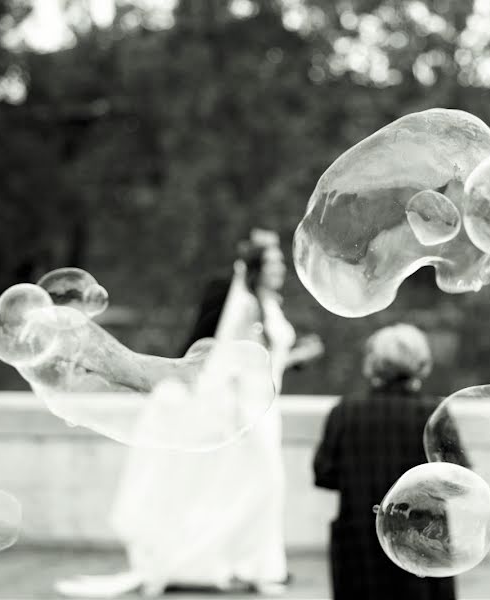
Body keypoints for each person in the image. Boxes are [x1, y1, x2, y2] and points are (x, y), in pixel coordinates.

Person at [56, 229, 323, 598]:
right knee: (266, 484)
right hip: (249, 409)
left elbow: (265, 361)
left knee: (257, 488)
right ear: (258, 268)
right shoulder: (244, 305)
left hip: (266, 406)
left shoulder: (267, 304)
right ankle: (256, 568)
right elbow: (228, 359)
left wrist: (297, 358)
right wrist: (224, 407)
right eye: (275, 262)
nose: (281, 269)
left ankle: (257, 566)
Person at [313, 323, 460, 600]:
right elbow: (458, 477)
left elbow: (324, 474)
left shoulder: (345, 412)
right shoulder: (434, 413)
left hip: (359, 538)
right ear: (421, 364)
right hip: (423, 539)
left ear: (374, 364)